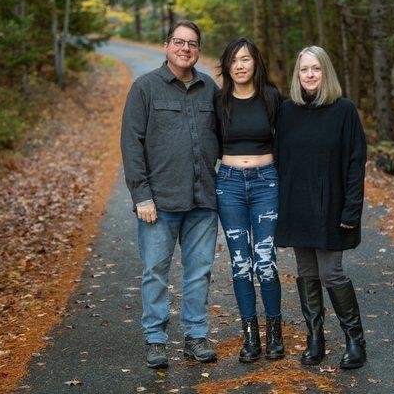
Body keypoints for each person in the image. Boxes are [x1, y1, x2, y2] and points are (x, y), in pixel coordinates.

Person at [120, 20, 220, 369]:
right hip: (159, 202)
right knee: (155, 271)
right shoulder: (145, 88)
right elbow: (131, 145)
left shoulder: (211, 89)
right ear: (167, 46)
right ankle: (156, 339)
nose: (185, 49)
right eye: (179, 42)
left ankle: (195, 336)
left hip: (203, 199)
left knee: (199, 271)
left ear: (198, 50)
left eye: (192, 43)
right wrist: (141, 196)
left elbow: (230, 136)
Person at [274, 46, 367, 369]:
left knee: (332, 273)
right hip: (297, 205)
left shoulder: (344, 111)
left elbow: (356, 163)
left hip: (332, 205)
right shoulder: (287, 111)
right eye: (304, 70)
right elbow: (279, 160)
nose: (310, 75)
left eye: (315, 69)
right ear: (297, 75)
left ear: (326, 73)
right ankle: (316, 338)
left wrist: (351, 210)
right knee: (307, 273)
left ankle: (355, 340)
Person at [215, 38, 284, 363]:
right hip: (228, 185)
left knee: (265, 261)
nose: (240, 65)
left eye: (246, 59)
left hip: (265, 184)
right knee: (240, 264)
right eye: (234, 60)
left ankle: (274, 334)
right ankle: (251, 337)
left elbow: (286, 142)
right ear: (227, 66)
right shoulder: (219, 101)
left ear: (256, 63)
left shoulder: (271, 97)